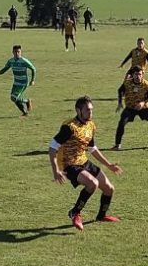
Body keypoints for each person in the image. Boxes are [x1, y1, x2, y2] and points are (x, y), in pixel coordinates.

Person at [49, 95, 123, 231]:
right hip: (69, 165)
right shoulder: (69, 127)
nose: (90, 113)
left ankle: (101, 216)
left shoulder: (90, 125)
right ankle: (75, 212)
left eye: (91, 110)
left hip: (83, 161)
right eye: (87, 110)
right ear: (78, 111)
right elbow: (52, 147)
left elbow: (92, 149)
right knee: (92, 183)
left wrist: (109, 165)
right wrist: (56, 171)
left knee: (109, 188)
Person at [113, 66, 148, 150]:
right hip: (130, 108)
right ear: (133, 75)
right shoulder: (127, 83)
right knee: (121, 123)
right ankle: (117, 145)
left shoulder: (146, 84)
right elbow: (120, 90)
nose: (138, 76)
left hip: (143, 109)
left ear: (142, 74)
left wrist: (143, 102)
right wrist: (119, 103)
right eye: (136, 74)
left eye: (140, 74)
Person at [0, 45, 36, 116]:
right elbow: (5, 68)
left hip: (23, 82)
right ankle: (24, 112)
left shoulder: (24, 61)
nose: (17, 53)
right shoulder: (11, 61)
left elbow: (33, 69)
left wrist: (32, 80)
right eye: (15, 52)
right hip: (16, 82)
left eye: (18, 52)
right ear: (12, 52)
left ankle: (27, 101)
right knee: (13, 98)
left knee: (14, 97)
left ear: (21, 52)